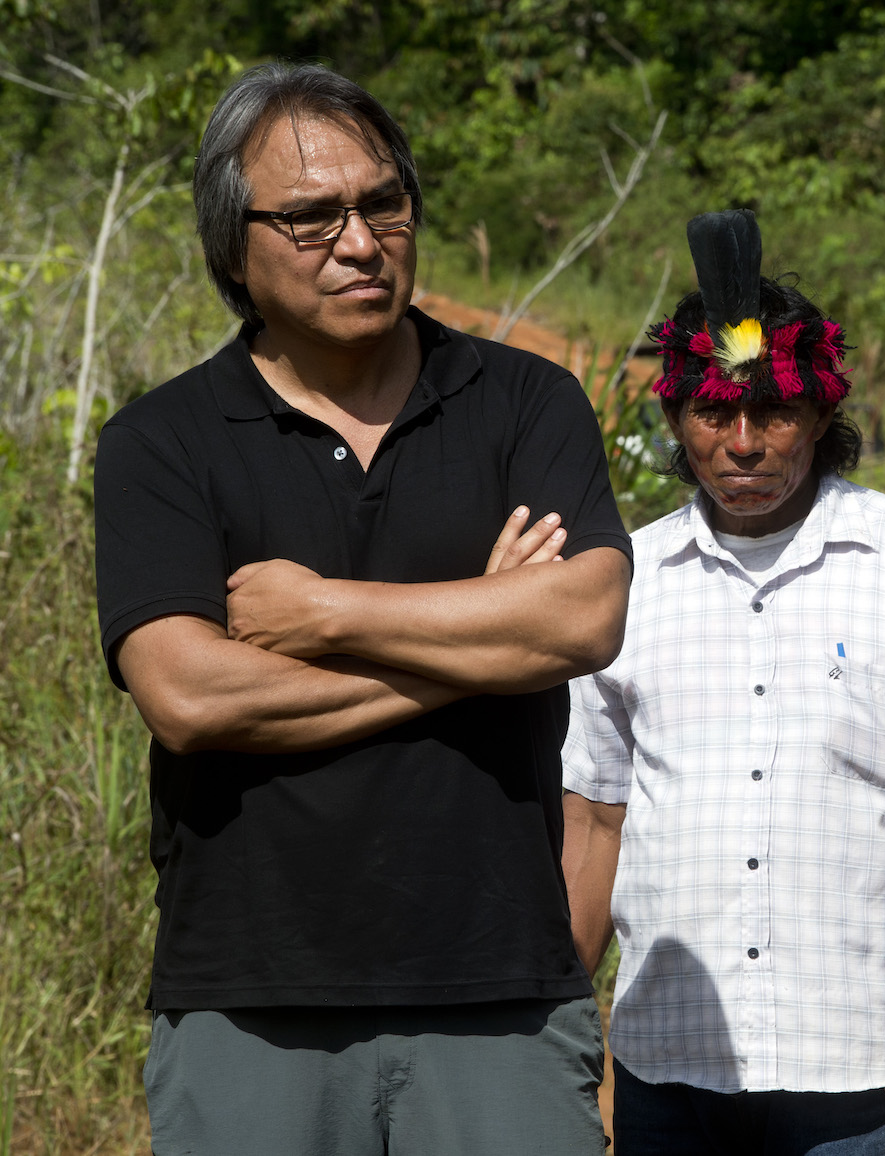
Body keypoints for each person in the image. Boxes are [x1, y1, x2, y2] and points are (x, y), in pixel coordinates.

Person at [93, 63, 632, 1153]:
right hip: (251, 1006)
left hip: (503, 995)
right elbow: (191, 696)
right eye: (308, 216)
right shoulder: (163, 443)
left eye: (383, 202)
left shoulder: (527, 402)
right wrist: (481, 629)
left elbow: (579, 623)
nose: (359, 240)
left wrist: (327, 612)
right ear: (230, 242)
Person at [560, 209, 885, 1156]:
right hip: (668, 1068)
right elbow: (595, 821)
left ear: (822, 414)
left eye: (774, 413)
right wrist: (556, 1020)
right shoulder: (618, 585)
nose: (744, 443)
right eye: (714, 413)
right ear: (674, 417)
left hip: (863, 1073)